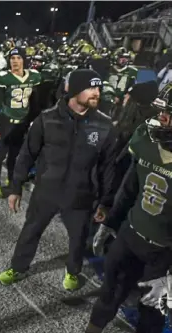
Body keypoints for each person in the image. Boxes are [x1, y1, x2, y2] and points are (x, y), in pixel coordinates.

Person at [0, 69, 117, 291]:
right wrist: (16, 187)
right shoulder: (46, 118)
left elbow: (108, 166)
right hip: (47, 190)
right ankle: (18, 267)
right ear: (75, 90)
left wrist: (105, 201)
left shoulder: (105, 125)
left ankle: (73, 271)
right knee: (30, 231)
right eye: (91, 88)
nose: (96, 93)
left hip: (81, 194)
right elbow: (27, 154)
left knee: (78, 239)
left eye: (98, 88)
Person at [85, 92, 172, 333]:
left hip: (164, 253)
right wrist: (110, 222)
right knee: (109, 295)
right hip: (130, 235)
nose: (161, 118)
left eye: (169, 114)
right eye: (163, 111)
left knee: (152, 313)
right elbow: (129, 187)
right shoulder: (147, 140)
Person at [0, 47, 41, 198]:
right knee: (0, 155)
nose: (15, 61)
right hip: (7, 122)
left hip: (22, 123)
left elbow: (35, 102)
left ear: (24, 60)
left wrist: (34, 121)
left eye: (18, 58)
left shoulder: (33, 76)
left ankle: (10, 178)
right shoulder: (3, 77)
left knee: (14, 154)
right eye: (12, 58)